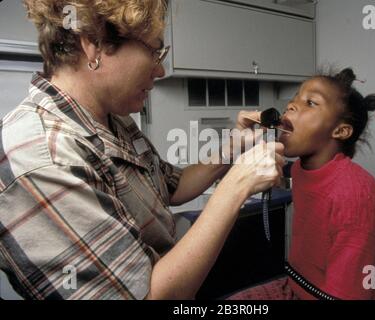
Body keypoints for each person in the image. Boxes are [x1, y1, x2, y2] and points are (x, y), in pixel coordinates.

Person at [0, 0, 284, 300]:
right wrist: (236, 186)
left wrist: (233, 147)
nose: (160, 70)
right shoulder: (44, 158)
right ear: (94, 45)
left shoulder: (114, 118)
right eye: (154, 51)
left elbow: (172, 187)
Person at [229, 68, 375, 300]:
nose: (291, 105)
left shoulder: (355, 196)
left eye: (311, 102)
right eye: (294, 98)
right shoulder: (300, 168)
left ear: (340, 131)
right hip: (299, 286)